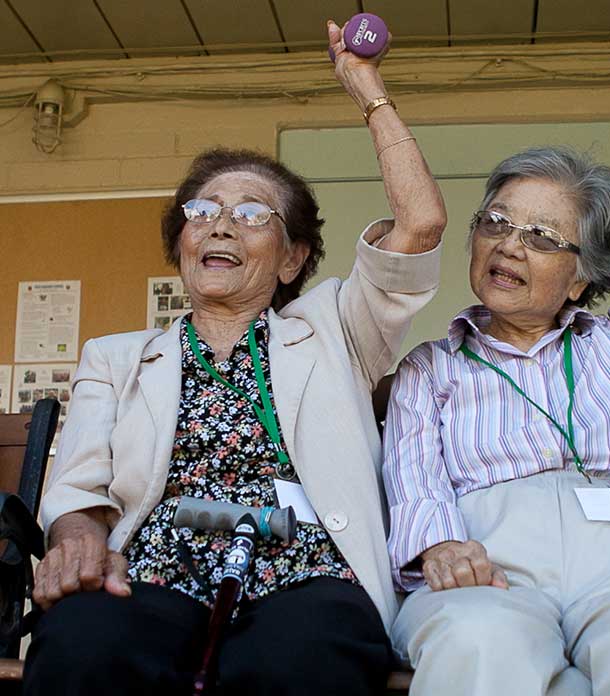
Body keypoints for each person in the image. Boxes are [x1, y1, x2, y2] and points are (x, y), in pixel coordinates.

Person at [24, 20, 446, 695]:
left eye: (253, 214)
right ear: (182, 242)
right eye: (203, 210)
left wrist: (367, 90)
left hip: (308, 570)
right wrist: (75, 535)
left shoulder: (334, 328)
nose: (220, 223)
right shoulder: (115, 357)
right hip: (155, 566)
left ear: (293, 258)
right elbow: (79, 487)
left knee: (299, 664)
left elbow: (420, 224)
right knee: (83, 646)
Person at [382, 33, 610, 696]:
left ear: (581, 279)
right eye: (495, 222)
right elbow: (414, 479)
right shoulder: (430, 369)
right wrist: (438, 546)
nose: (509, 246)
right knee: (477, 639)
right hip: (489, 563)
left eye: (542, 238)